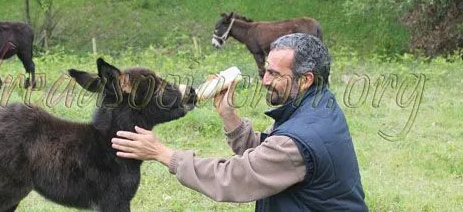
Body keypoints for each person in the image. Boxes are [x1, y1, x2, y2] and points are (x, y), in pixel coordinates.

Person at [112, 33, 368, 211]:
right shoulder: (319, 104)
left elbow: (235, 178)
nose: (264, 81)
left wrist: (163, 154)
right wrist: (229, 116)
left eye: (274, 74)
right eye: (265, 70)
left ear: (305, 80)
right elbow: (270, 154)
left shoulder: (299, 139)